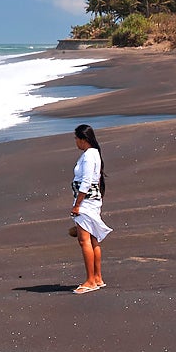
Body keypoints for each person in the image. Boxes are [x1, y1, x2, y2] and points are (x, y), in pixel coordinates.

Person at [69, 123, 112, 293]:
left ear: (83, 139)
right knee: (93, 240)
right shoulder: (94, 153)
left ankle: (90, 281)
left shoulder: (88, 156)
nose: (75, 142)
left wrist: (77, 205)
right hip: (93, 201)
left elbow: (86, 182)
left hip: (86, 202)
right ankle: (97, 278)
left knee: (84, 240)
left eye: (76, 138)